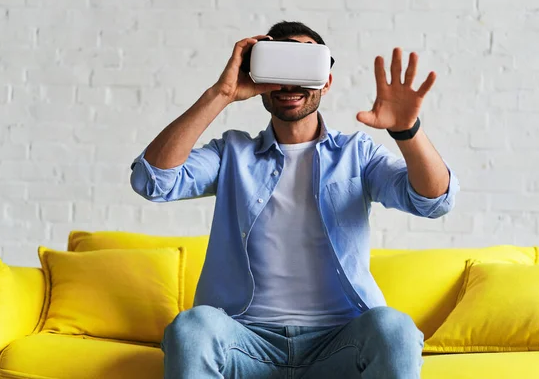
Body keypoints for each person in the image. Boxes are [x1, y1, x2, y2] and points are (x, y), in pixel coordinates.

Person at [130, 21, 459, 379]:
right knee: (191, 328)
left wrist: (406, 131)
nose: (290, 83)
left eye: (304, 66)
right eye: (279, 66)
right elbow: (153, 181)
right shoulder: (232, 154)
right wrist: (221, 94)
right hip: (245, 339)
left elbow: (433, 200)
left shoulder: (356, 154)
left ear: (326, 81)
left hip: (339, 341)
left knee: (395, 328)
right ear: (257, 81)